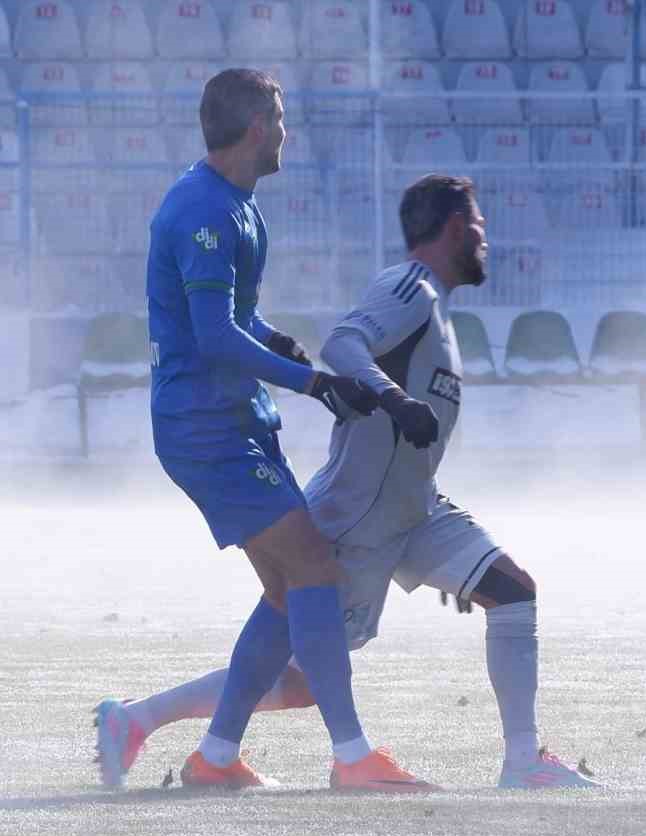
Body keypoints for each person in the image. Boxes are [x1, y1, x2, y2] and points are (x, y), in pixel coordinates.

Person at [97, 174, 597, 791]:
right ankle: (145, 723)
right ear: (449, 229)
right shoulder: (407, 286)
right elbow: (345, 341)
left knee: (512, 589)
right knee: (306, 674)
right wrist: (392, 398)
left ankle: (523, 763)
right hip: (360, 514)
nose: (484, 239)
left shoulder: (433, 305)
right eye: (478, 227)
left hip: (414, 509)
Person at [143, 68, 432, 791]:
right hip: (206, 428)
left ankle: (214, 760)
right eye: (279, 115)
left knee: (286, 591)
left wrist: (282, 343)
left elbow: (236, 317)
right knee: (312, 569)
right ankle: (353, 755)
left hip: (235, 418)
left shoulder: (237, 204)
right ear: (255, 129)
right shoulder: (203, 213)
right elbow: (212, 337)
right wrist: (310, 382)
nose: (287, 130)